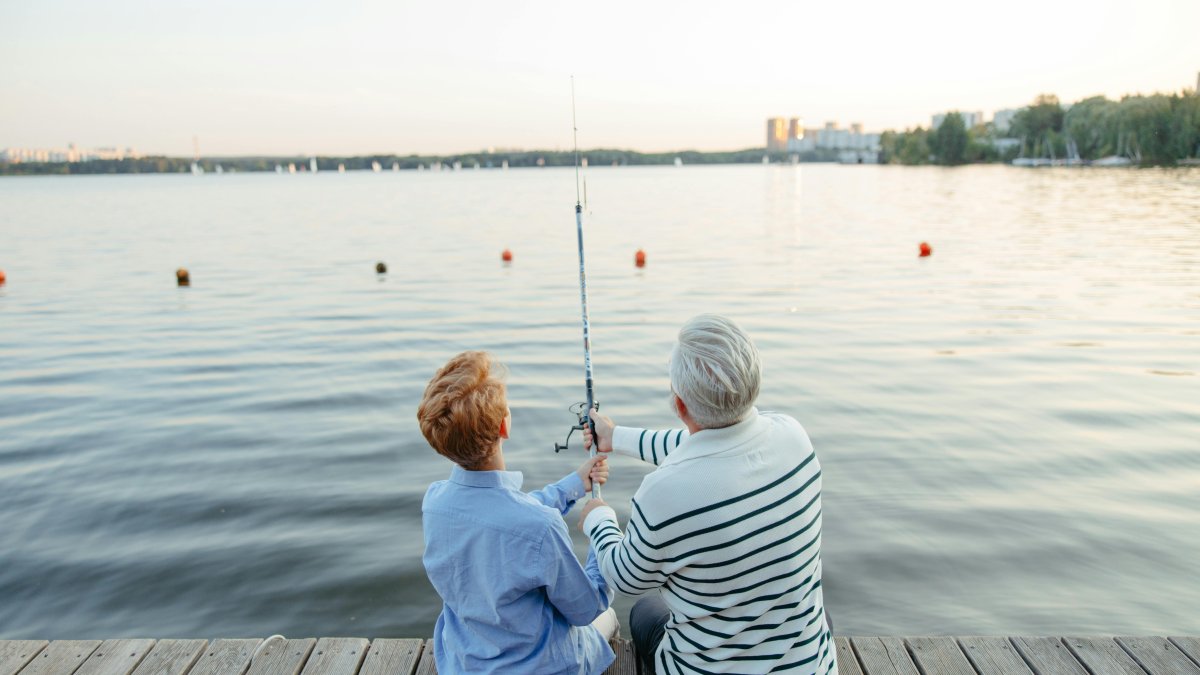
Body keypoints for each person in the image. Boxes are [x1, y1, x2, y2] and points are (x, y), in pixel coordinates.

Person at [580, 314, 835, 674]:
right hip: (810, 668)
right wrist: (616, 437)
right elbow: (709, 444)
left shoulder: (664, 493)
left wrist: (598, 517)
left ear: (680, 405)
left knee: (646, 611)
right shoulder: (793, 436)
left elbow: (623, 576)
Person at [418, 350, 618, 674]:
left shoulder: (434, 502)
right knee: (607, 615)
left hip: (464, 663)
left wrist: (572, 486)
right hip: (540, 667)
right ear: (504, 425)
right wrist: (601, 531)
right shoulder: (541, 527)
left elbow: (502, 515)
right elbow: (585, 608)